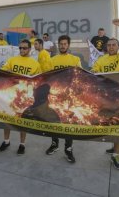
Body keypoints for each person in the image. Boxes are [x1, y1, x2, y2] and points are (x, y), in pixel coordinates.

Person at [91, 19, 119, 170]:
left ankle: (115, 154)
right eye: (109, 45)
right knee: (110, 124)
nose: (111, 47)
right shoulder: (101, 59)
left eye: (113, 45)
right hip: (106, 98)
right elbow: (94, 74)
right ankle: (117, 146)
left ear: (118, 46)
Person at [0, 39, 41, 155]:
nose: (22, 50)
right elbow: (3, 72)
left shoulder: (35, 64)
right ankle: (6, 141)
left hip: (25, 98)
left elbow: (39, 81)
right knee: (7, 120)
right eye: (20, 48)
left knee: (23, 122)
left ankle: (22, 144)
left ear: (30, 49)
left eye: (24, 48)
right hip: (10, 96)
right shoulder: (12, 60)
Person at [45, 35, 81, 163]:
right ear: (58, 45)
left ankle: (68, 149)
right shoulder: (52, 60)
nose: (63, 46)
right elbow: (47, 78)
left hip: (70, 99)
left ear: (68, 45)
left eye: (65, 44)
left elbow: (79, 79)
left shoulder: (75, 59)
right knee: (54, 122)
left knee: (68, 125)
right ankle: (54, 144)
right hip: (54, 98)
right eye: (61, 44)